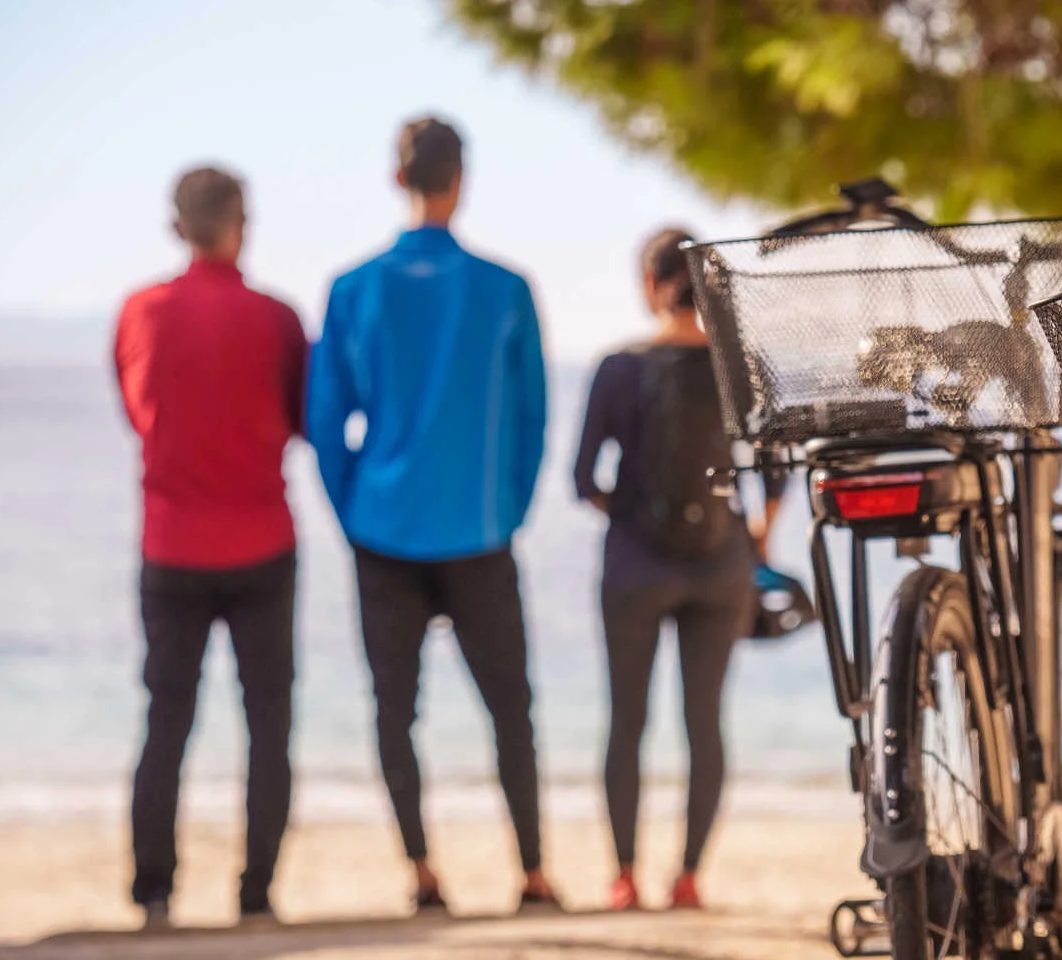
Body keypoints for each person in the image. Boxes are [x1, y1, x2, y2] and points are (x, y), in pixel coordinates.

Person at [304, 116, 555, 913]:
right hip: (480, 530)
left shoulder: (351, 290)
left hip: (383, 529)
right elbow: (532, 421)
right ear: (461, 180)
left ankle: (420, 873)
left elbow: (324, 421)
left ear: (396, 179)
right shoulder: (507, 290)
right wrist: (508, 510)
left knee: (394, 711)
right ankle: (533, 873)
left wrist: (352, 509)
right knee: (511, 706)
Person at [114, 166, 306, 929]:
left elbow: (137, 410)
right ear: (241, 222)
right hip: (261, 540)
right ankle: (256, 894)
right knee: (268, 723)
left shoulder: (140, 312)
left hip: (172, 545)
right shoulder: (277, 319)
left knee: (167, 719)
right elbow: (301, 415)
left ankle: (154, 894)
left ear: (177, 224)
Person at [573, 227, 779, 911]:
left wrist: (630, 512)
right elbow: (772, 475)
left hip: (633, 565)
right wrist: (756, 537)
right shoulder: (741, 366)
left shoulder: (618, 367)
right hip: (722, 565)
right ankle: (689, 878)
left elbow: (582, 479)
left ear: (648, 284)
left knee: (626, 722)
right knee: (704, 722)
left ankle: (624, 878)